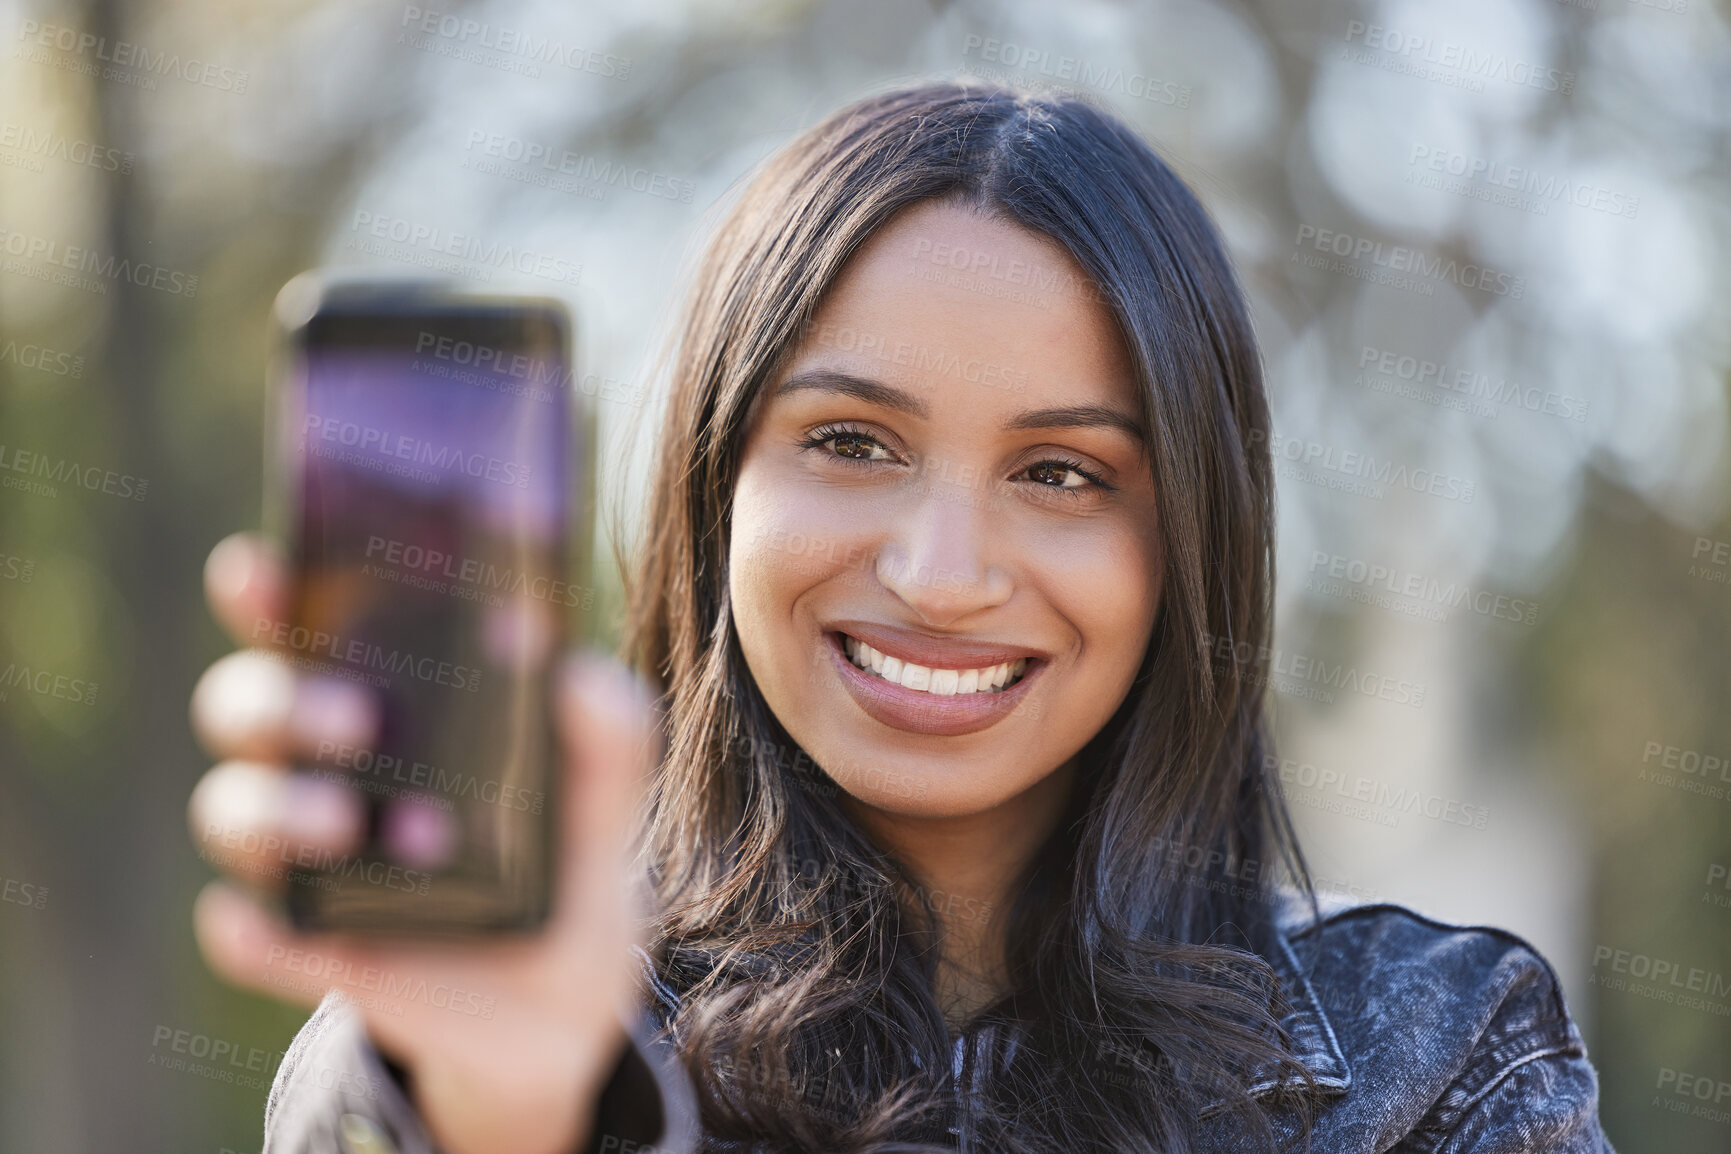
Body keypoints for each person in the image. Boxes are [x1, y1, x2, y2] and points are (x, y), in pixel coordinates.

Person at [186, 80, 1616, 1154]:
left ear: (1193, 540)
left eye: (1062, 472)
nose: (942, 573)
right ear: (714, 486)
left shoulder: (1435, 1060)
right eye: (851, 443)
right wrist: (509, 1117)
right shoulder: (456, 1047)